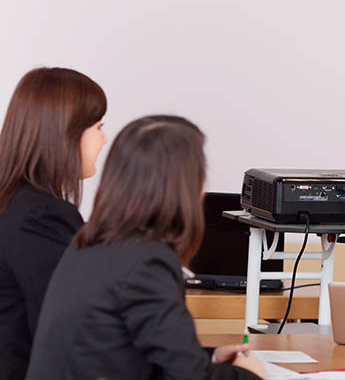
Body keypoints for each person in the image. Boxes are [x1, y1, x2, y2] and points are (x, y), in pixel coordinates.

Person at [26, 115, 266, 380]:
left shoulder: (93, 243)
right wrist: (248, 375)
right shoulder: (146, 262)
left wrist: (210, 358)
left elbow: (143, 350)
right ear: (182, 187)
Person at [0, 67, 107, 380]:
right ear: (66, 132)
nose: (103, 139)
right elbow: (71, 339)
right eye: (98, 126)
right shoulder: (43, 217)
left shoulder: (15, 205)